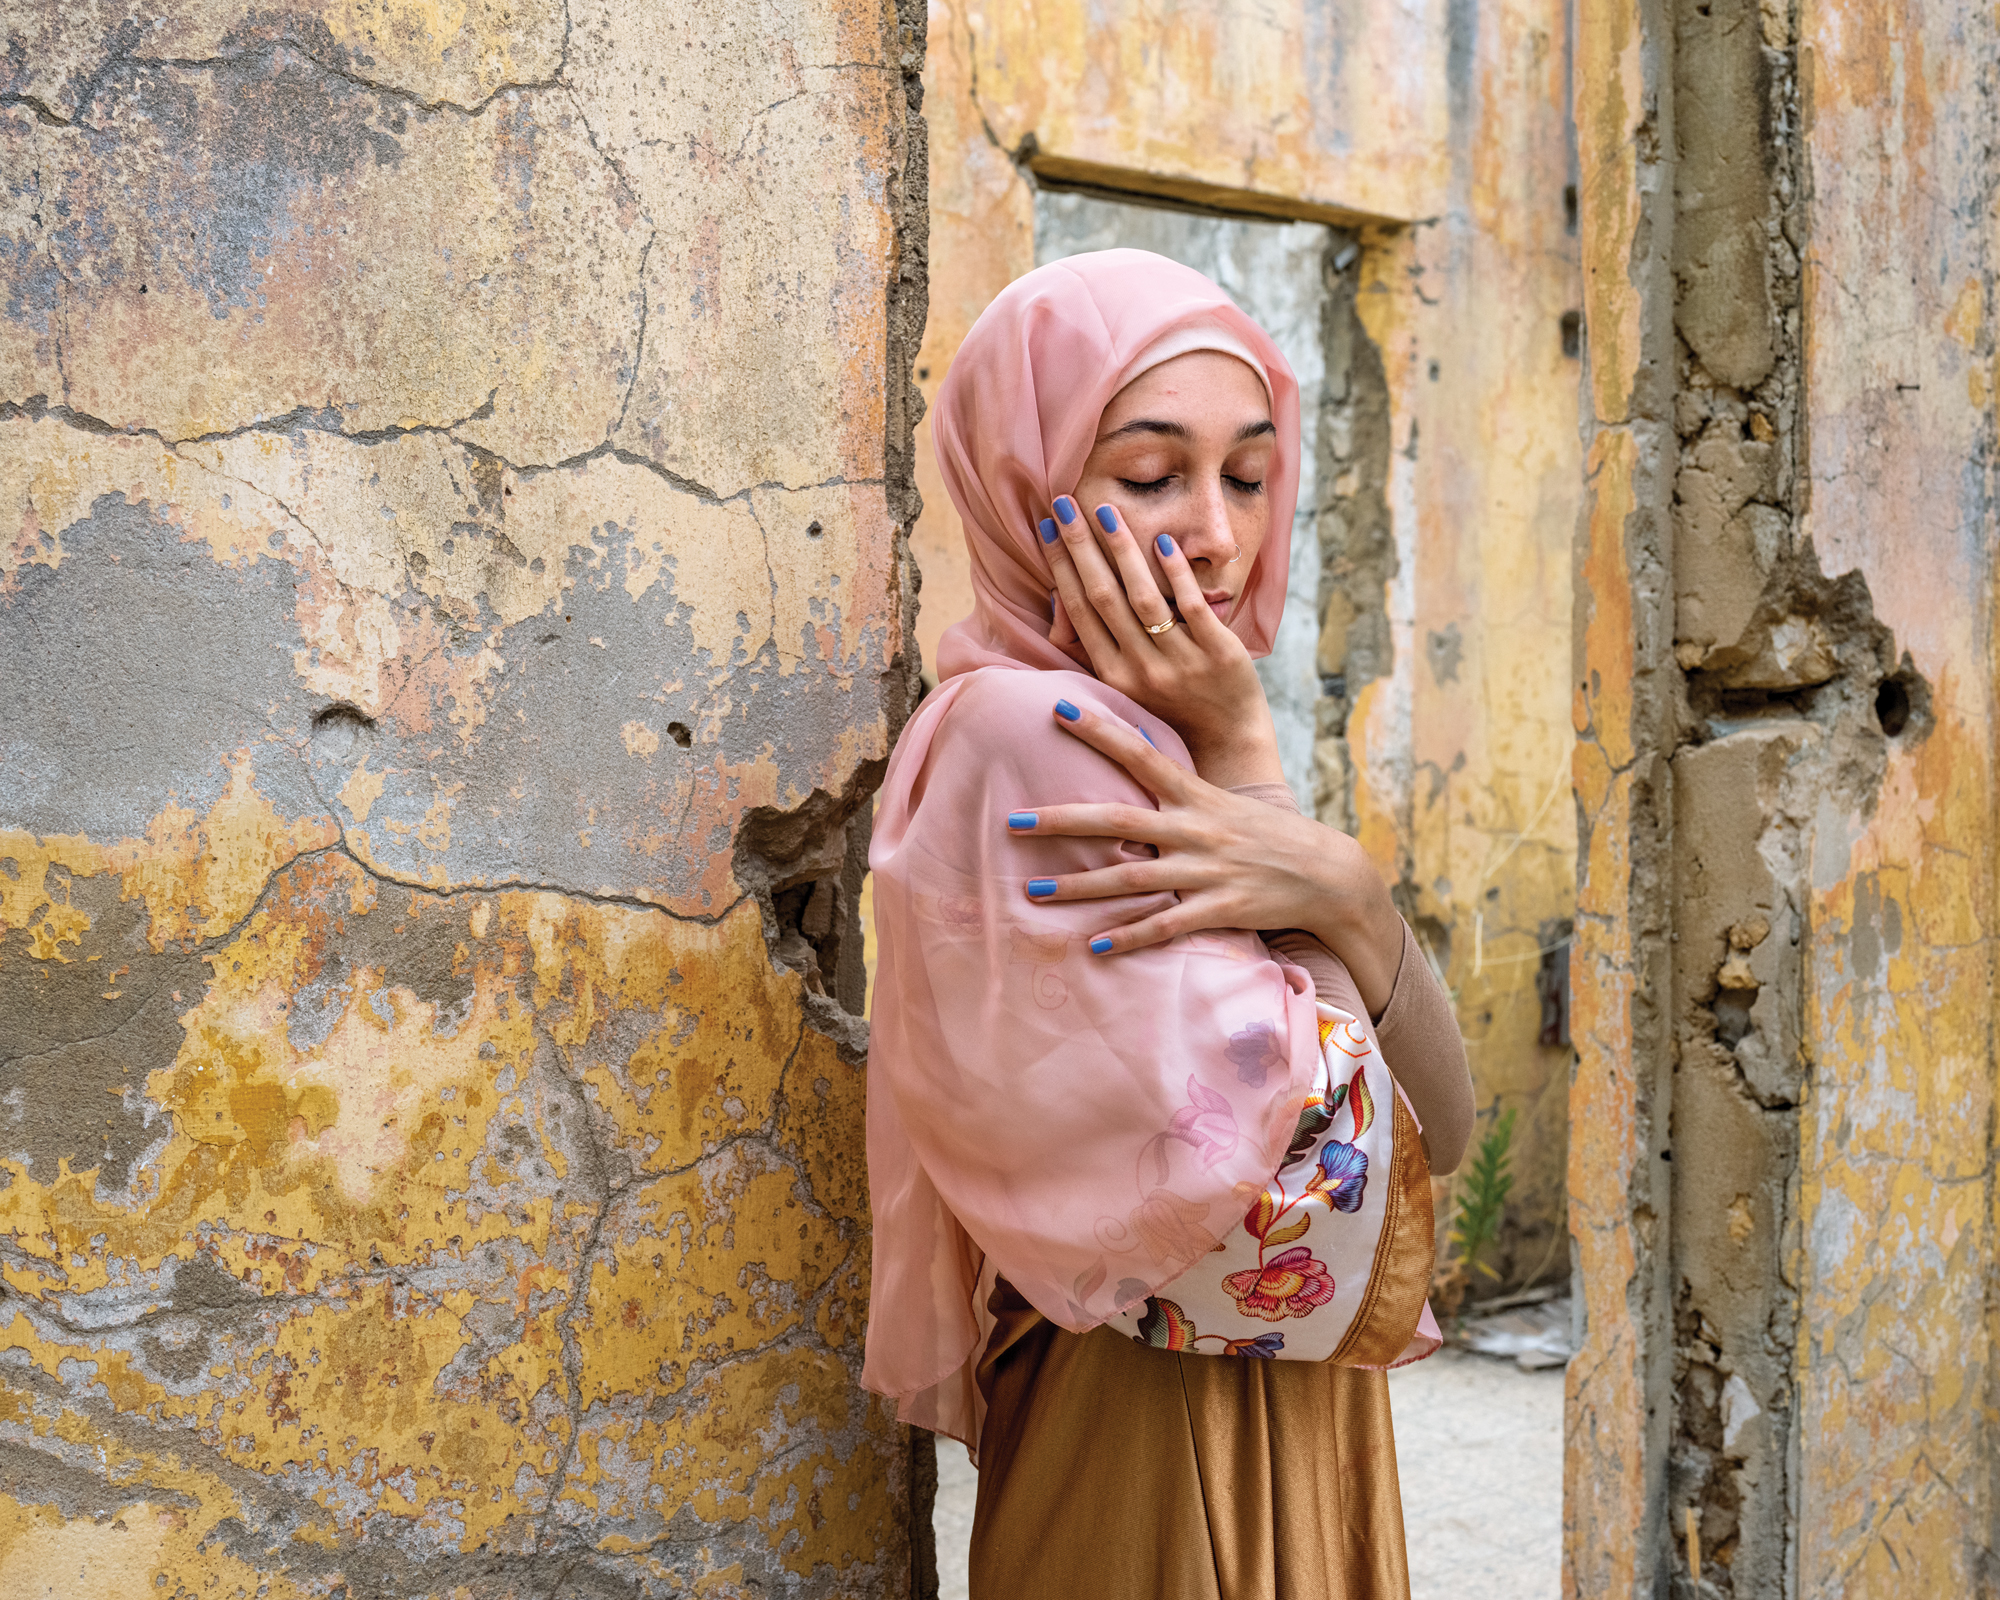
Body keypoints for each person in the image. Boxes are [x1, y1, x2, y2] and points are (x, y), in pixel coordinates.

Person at [862, 249, 1476, 1598]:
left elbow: (1443, 1136)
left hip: (1283, 1400)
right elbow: (1316, 1194)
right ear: (1030, 494)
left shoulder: (1160, 746)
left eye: (1248, 477)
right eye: (1150, 476)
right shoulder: (1037, 735)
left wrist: (1344, 891)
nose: (1214, 531)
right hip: (1150, 1428)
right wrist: (1270, 788)